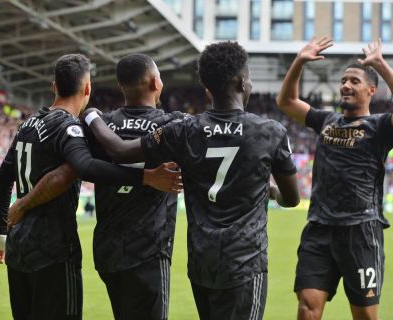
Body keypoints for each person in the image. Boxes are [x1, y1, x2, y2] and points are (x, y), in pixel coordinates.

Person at [20, 42, 300, 319]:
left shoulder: (182, 129)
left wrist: (92, 115)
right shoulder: (262, 131)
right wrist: (271, 191)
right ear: (242, 81)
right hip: (207, 256)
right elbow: (291, 198)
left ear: (206, 87)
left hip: (149, 255)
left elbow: (115, 150)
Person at [0, 53, 182, 320]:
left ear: (54, 86)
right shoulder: (71, 129)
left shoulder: (28, 124)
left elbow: (2, 177)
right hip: (53, 250)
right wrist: (145, 177)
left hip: (19, 248)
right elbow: (81, 168)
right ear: (87, 88)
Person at [276, 36, 391, 320]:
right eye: (343, 80)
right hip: (320, 228)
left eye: (354, 81)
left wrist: (381, 65)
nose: (346, 85)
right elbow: (287, 101)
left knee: (364, 315)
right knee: (307, 308)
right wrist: (300, 60)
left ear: (371, 90)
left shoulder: (380, 127)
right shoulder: (325, 120)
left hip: (361, 230)